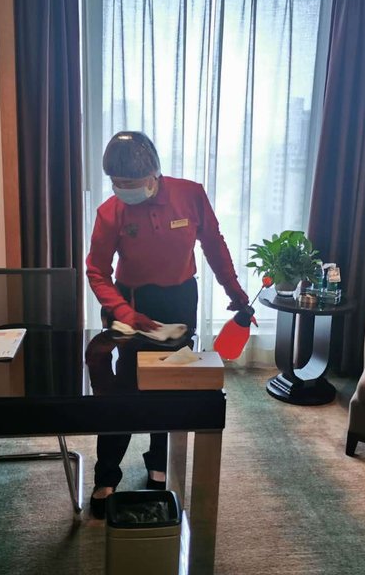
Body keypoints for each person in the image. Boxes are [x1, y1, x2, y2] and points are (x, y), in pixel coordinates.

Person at [85, 130, 249, 518]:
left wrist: (235, 291)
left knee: (171, 385)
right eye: (117, 183)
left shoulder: (189, 195)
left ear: (154, 174)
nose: (124, 189)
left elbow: (214, 244)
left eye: (132, 182)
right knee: (123, 392)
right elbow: (97, 271)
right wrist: (124, 313)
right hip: (132, 303)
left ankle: (158, 461)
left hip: (179, 301)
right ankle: (106, 475)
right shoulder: (111, 212)